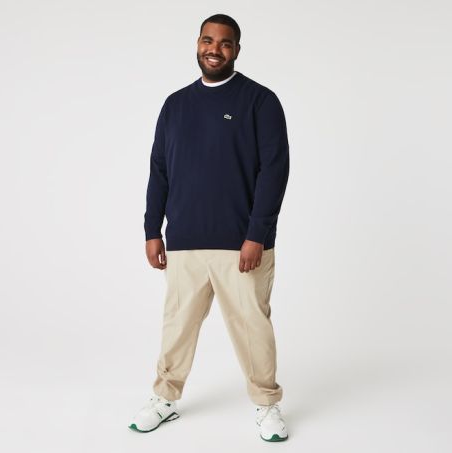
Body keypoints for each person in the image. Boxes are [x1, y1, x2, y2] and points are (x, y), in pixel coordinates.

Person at [128, 13, 290, 442]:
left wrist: (256, 235)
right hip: (185, 240)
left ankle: (266, 405)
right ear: (197, 43)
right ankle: (165, 397)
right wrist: (152, 229)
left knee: (253, 328)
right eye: (207, 40)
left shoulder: (260, 101)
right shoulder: (175, 105)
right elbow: (159, 170)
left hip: (242, 243)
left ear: (236, 49)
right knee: (176, 325)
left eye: (224, 43)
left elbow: (274, 171)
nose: (214, 49)